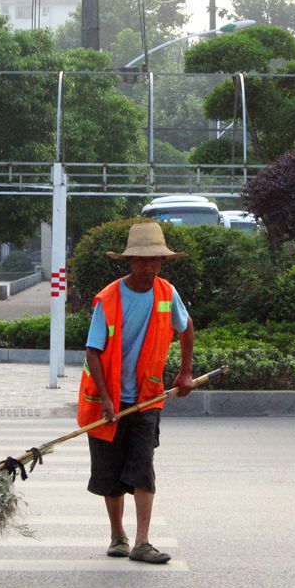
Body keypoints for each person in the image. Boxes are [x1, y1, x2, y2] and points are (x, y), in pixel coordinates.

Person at [78, 222, 194, 565]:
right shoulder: (110, 299)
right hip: (106, 400)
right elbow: (93, 352)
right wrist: (109, 400)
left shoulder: (166, 293)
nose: (150, 267)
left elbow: (186, 326)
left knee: (143, 467)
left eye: (156, 260)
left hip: (147, 398)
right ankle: (118, 535)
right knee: (110, 473)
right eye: (143, 261)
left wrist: (185, 371)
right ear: (129, 262)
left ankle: (143, 542)